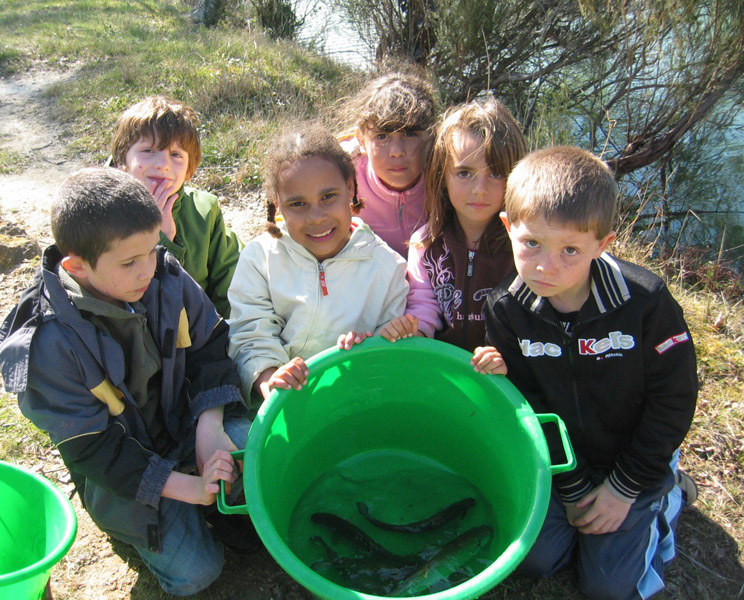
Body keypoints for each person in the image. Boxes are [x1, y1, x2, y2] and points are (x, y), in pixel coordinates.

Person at [0, 167, 253, 596]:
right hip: (124, 472)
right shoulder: (48, 345)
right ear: (76, 265)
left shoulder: (162, 275)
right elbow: (94, 450)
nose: (147, 269)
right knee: (196, 574)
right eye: (130, 262)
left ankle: (208, 497)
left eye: (152, 250)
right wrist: (185, 487)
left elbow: (210, 346)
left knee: (253, 448)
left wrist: (209, 428)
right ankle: (143, 531)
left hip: (185, 427)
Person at [472, 146, 698, 599]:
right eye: (531, 243)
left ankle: (668, 496)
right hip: (566, 459)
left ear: (603, 245)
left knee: (608, 590)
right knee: (535, 561)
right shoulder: (506, 309)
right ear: (508, 227)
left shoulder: (645, 303)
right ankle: (592, 511)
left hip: (632, 457)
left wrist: (624, 487)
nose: (545, 266)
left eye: (570, 250)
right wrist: (572, 487)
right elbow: (531, 406)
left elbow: (674, 399)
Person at [228, 123, 417, 404]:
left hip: (353, 402)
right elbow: (249, 333)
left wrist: (373, 343)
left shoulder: (386, 267)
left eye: (328, 197)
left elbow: (388, 356)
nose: (316, 217)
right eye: (297, 204)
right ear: (277, 204)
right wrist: (270, 377)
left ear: (350, 188)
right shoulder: (260, 258)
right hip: (275, 407)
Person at [405, 97, 527, 349]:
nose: (479, 190)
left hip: (505, 373)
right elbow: (424, 306)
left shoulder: (525, 243)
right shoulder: (425, 243)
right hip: (446, 368)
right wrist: (414, 332)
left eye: (495, 173)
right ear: (442, 175)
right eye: (464, 173)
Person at [110, 96, 242, 318]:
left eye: (175, 154)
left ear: (189, 168)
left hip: (199, 336)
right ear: (122, 160)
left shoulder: (204, 211)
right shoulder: (101, 211)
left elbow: (233, 287)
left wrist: (230, 339)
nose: (162, 164)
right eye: (148, 151)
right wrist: (160, 240)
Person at [336, 67, 437, 258]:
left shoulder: (447, 175)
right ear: (361, 139)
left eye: (410, 134)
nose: (397, 151)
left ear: (431, 136)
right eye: (382, 136)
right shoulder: (340, 173)